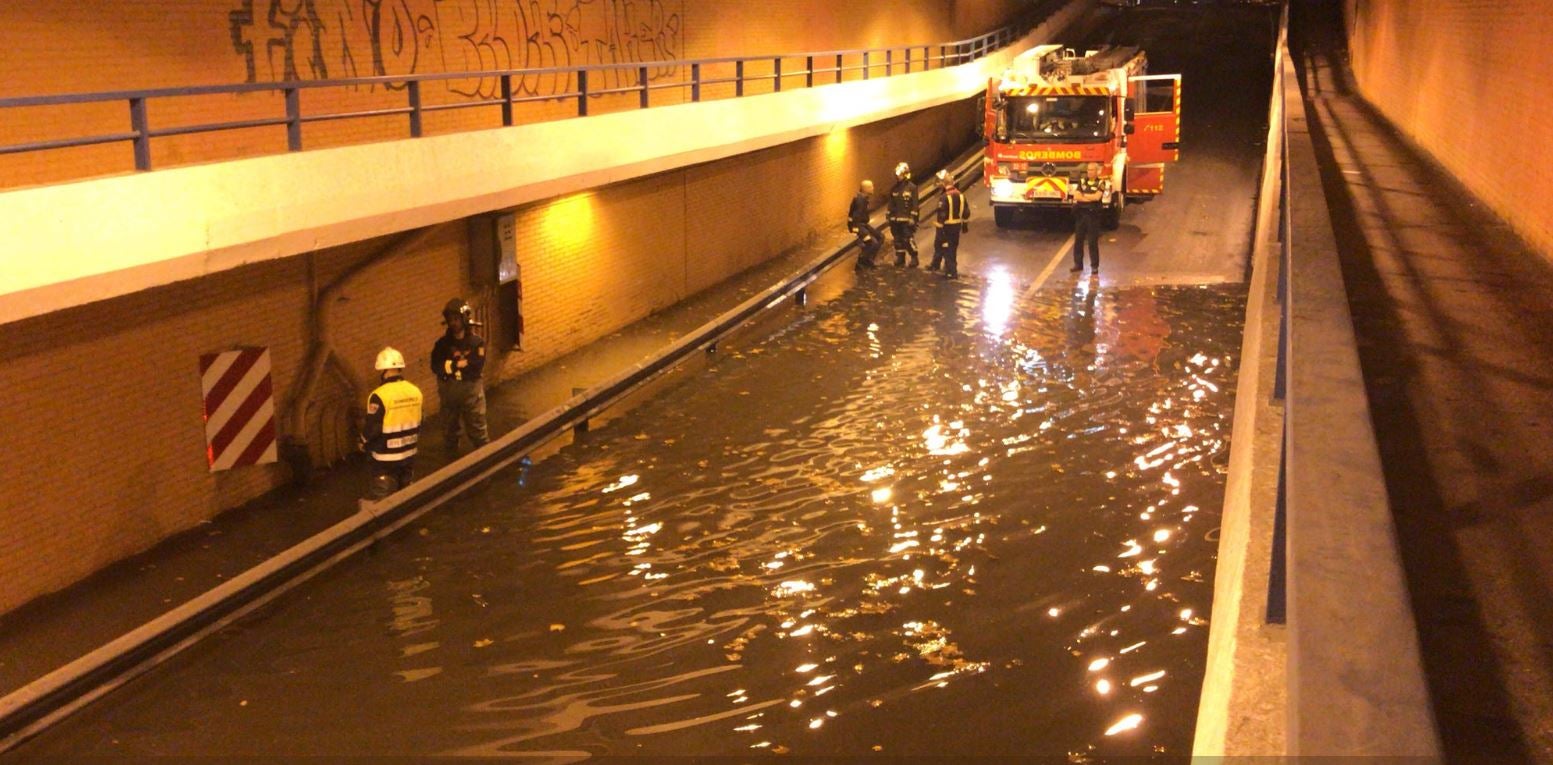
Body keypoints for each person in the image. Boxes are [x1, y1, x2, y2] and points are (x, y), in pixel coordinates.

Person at [361, 346, 423, 500]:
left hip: (385, 457)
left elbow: (373, 428)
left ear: (384, 371)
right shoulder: (415, 391)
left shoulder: (379, 395)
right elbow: (420, 419)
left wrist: (363, 441)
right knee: (406, 493)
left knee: (383, 495)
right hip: (409, 452)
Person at [431, 297, 490, 453]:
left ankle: (485, 457)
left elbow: (475, 367)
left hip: (471, 391)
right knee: (449, 430)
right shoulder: (441, 345)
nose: (453, 323)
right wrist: (457, 365)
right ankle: (452, 459)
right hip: (449, 392)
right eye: (450, 319)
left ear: (464, 319)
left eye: (456, 319)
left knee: (477, 429)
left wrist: (450, 366)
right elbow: (436, 366)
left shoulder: (477, 343)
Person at [929, 170, 971, 279]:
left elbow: (942, 214)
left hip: (946, 227)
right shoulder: (960, 195)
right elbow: (966, 212)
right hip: (956, 226)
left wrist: (940, 226)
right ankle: (937, 265)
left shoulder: (944, 197)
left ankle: (951, 271)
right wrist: (965, 225)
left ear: (944, 183)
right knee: (952, 247)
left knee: (945, 248)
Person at [1069, 162, 1110, 274]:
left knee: (1092, 241)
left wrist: (1084, 196)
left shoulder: (1101, 183)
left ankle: (1094, 266)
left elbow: (1097, 197)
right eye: (1088, 170)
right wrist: (1088, 198)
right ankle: (1078, 264)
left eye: (1092, 170)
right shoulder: (1082, 181)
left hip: (1093, 216)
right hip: (1081, 214)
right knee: (1078, 240)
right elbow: (1076, 196)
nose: (1089, 172)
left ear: (1097, 171)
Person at [886, 161, 921, 268]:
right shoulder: (894, 189)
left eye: (900, 175)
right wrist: (889, 217)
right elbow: (891, 204)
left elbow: (915, 204)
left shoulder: (912, 188)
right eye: (897, 175)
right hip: (895, 219)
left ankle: (914, 257)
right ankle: (900, 258)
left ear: (905, 174)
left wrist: (913, 217)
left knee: (907, 239)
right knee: (897, 239)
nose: (898, 177)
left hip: (906, 220)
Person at [848, 179, 882, 270]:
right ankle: (860, 262)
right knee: (872, 242)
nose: (873, 188)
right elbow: (855, 218)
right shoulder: (860, 201)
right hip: (858, 226)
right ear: (866, 189)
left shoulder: (864, 198)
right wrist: (857, 232)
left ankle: (869, 259)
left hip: (863, 224)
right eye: (871, 187)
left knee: (880, 237)